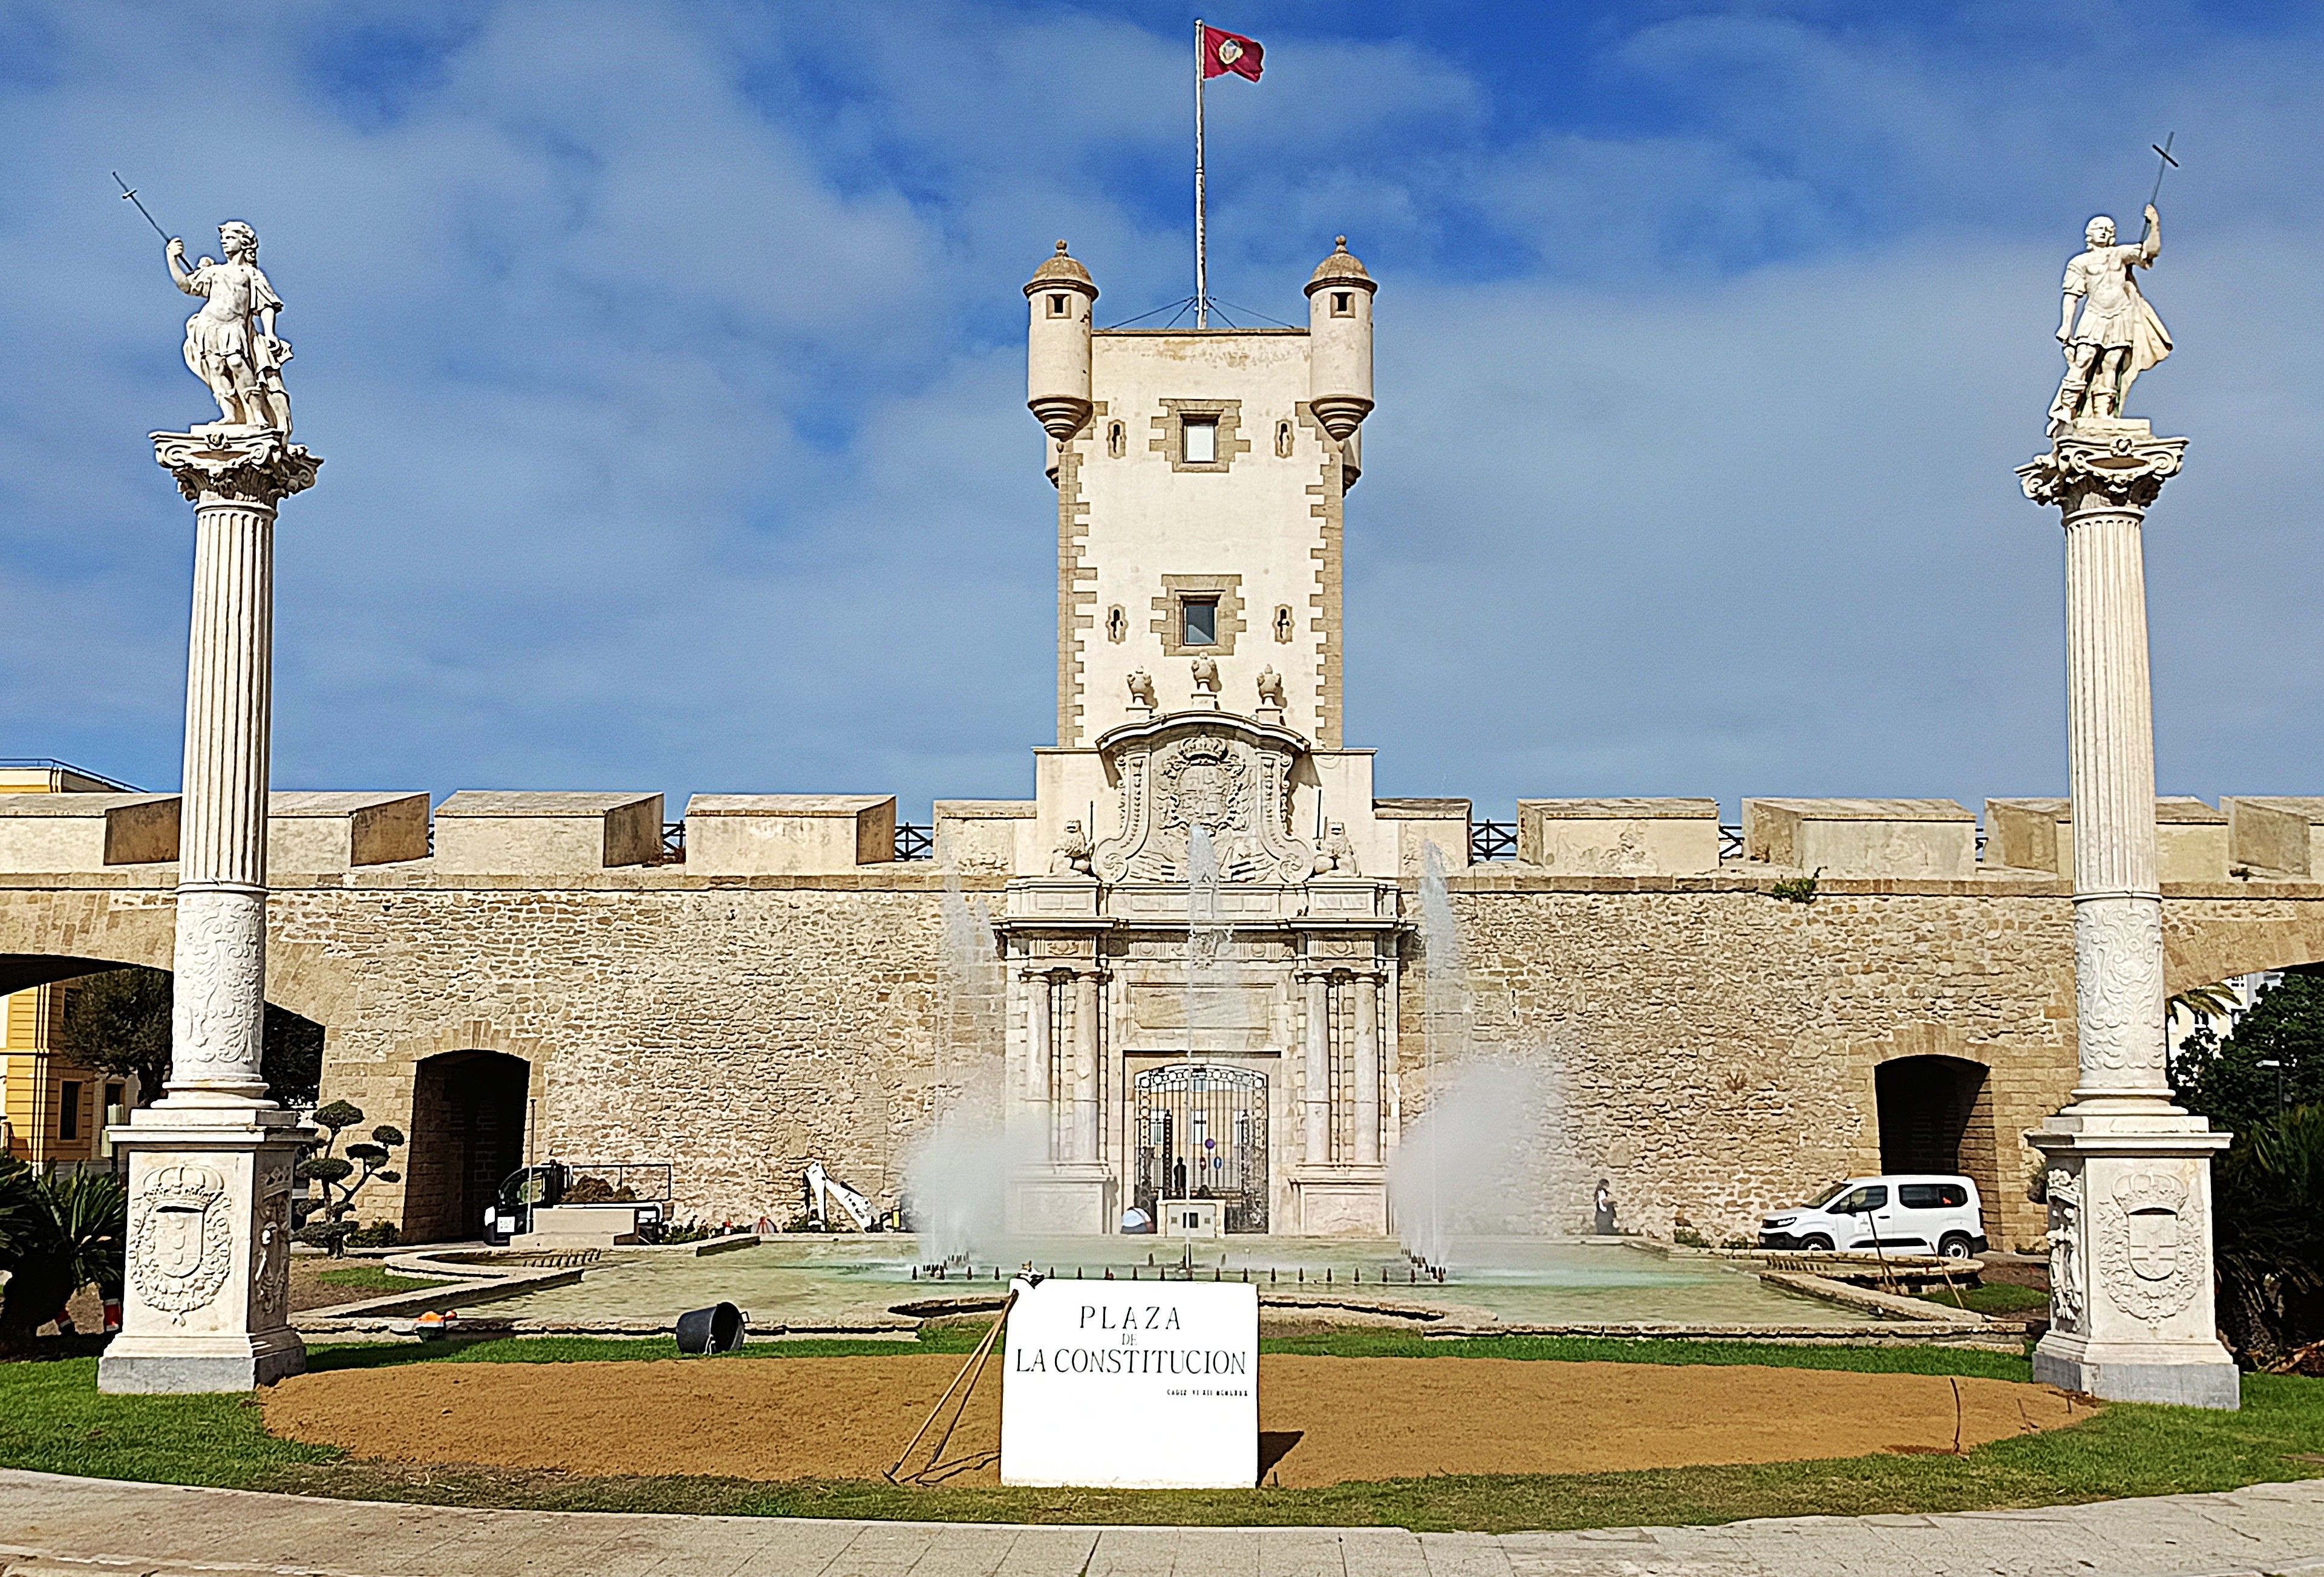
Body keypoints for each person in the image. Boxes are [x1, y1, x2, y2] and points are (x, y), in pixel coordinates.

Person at [2048, 206, 2169, 434]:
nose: (2104, 232)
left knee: (2112, 362)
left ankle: (2103, 412)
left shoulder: (2120, 255)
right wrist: (2066, 325)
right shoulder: (2080, 263)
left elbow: (2149, 252)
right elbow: (2072, 295)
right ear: (2090, 234)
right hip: (2094, 313)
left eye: (2108, 229)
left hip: (2120, 314)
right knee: (2084, 358)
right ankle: (2067, 407)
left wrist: (2155, 225)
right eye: (2099, 229)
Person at [167, 221, 293, 431]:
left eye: (230, 238)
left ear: (244, 242)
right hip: (208, 326)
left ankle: (257, 415)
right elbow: (186, 285)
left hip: (234, 327)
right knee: (215, 368)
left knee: (237, 363)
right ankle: (230, 415)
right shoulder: (215, 271)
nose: (225, 242)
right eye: (223, 239)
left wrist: (270, 334)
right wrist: (172, 258)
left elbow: (266, 305)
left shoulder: (251, 274)